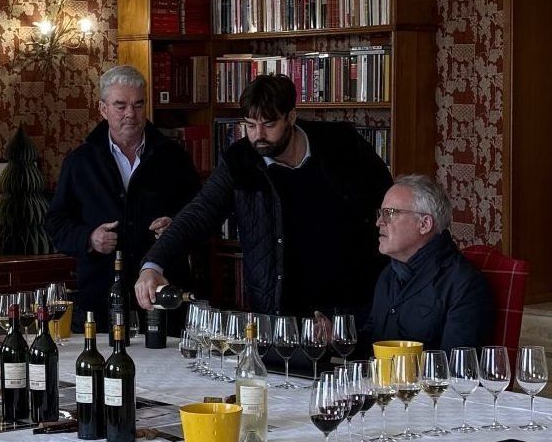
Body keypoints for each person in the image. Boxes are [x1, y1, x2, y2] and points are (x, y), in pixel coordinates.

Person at [135, 73, 390, 320]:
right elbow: (199, 214)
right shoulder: (239, 160)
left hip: (353, 305)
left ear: (291, 117)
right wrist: (153, 265)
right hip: (280, 311)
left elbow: (387, 199)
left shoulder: (341, 143)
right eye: (250, 125)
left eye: (269, 125)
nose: (258, 135)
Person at [45, 64, 202, 320]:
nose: (131, 114)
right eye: (120, 106)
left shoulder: (173, 157)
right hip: (100, 298)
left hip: (162, 296)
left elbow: (200, 213)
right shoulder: (80, 161)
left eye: (138, 105)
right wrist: (89, 238)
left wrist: (175, 224)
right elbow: (55, 223)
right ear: (103, 109)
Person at [368, 175, 493, 350]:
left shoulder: (464, 284)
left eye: (390, 213)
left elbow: (457, 364)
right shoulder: (389, 274)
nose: (379, 222)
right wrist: (336, 336)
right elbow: (372, 340)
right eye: (381, 213)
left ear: (424, 224)